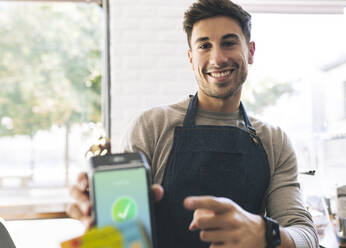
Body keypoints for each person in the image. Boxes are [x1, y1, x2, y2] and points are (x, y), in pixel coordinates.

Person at [67, 0, 318, 247]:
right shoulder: (151, 127)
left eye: (229, 43)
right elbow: (122, 230)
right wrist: (103, 223)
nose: (217, 58)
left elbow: (305, 235)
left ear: (250, 51)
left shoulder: (274, 140)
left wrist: (266, 234)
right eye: (204, 45)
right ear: (190, 57)